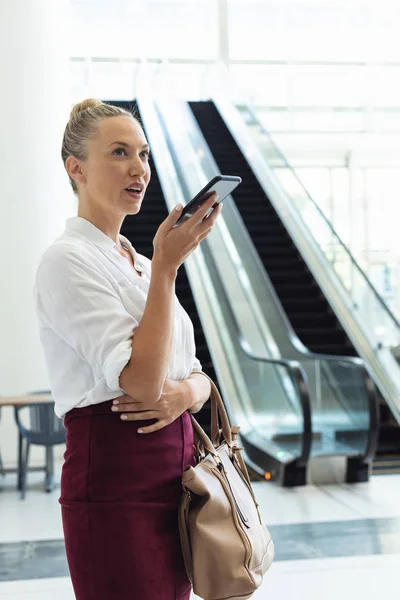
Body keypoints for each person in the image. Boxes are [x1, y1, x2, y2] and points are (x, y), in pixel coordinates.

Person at [34, 99, 223, 600]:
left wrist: (184, 392)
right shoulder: (67, 261)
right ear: (76, 168)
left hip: (178, 482)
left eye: (142, 154)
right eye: (119, 152)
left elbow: (198, 375)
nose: (138, 168)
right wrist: (167, 269)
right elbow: (139, 382)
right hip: (117, 483)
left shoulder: (136, 263)